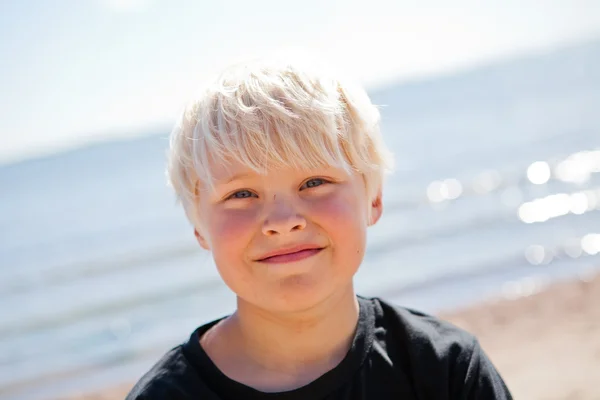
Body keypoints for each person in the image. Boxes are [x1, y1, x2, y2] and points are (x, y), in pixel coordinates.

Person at [126, 55, 513, 399]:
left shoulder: (445, 370)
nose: (283, 222)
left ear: (373, 199)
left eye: (314, 183)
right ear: (199, 228)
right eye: (242, 193)